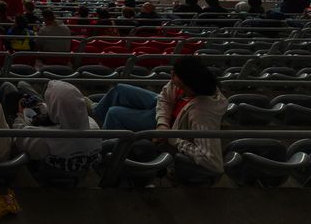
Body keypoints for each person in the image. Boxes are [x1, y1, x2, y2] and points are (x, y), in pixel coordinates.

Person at [92, 56, 227, 175]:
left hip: (171, 128)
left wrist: (171, 137)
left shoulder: (202, 113)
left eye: (175, 77)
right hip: (164, 116)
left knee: (114, 113)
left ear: (190, 86)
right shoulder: (190, 80)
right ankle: (95, 115)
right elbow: (165, 98)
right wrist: (162, 123)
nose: (172, 76)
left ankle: (103, 157)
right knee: (119, 89)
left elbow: (212, 161)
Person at [11, 80, 101, 174]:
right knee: (24, 87)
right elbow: (70, 114)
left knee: (12, 87)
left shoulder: (43, 139)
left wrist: (20, 115)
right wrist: (46, 109)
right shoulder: (95, 128)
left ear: (54, 110)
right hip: (80, 176)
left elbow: (18, 137)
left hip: (44, 178)